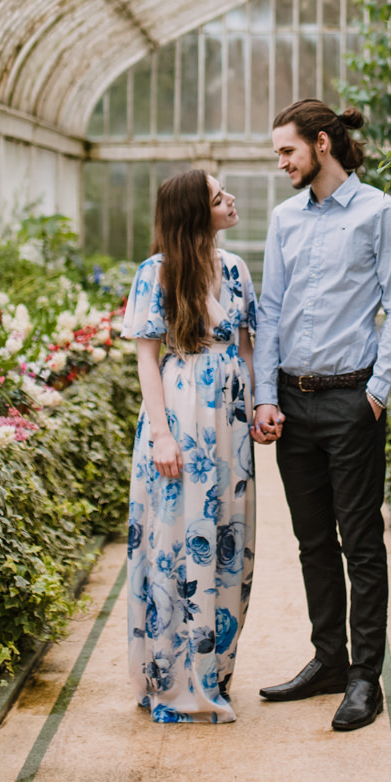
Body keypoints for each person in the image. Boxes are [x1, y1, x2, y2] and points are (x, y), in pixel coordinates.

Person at [252, 99, 391, 732]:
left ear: (323, 144)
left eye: (287, 151)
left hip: (352, 402)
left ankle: (363, 679)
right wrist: (266, 395)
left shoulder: (382, 213)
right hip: (293, 401)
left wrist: (376, 392)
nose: (282, 163)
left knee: (361, 544)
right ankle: (327, 660)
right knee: (313, 542)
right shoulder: (285, 218)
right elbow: (271, 311)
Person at [122, 170, 258, 723]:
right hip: (177, 416)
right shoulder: (155, 273)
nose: (230, 200)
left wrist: (254, 412)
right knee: (173, 541)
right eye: (217, 196)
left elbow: (247, 349)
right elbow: (146, 359)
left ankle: (217, 671)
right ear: (194, 212)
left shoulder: (235, 269)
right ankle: (173, 677)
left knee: (230, 538)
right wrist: (160, 435)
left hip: (229, 423)